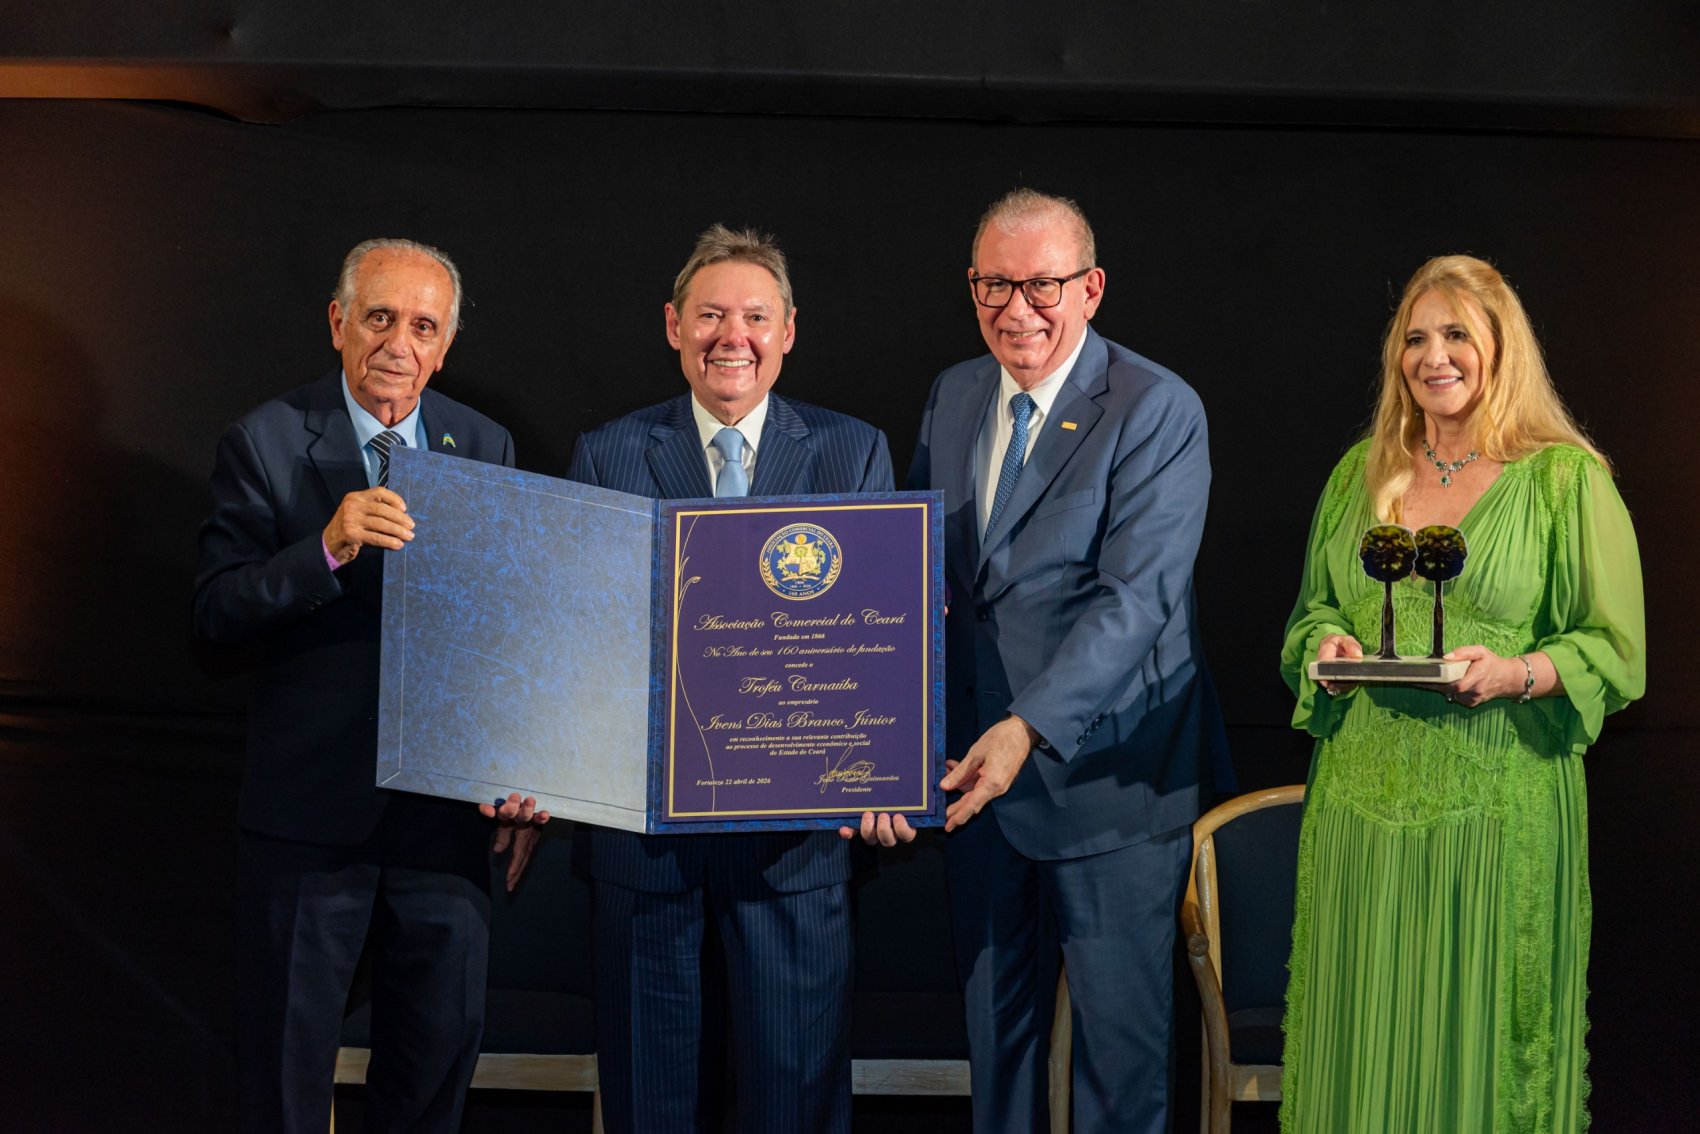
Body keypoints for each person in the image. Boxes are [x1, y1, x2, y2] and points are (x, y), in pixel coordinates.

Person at [1280, 255, 1645, 1132]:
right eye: (1414, 337)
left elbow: (1616, 651)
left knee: (1484, 1066)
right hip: (1360, 817)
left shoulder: (1565, 481)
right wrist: (1323, 646)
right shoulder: (1356, 476)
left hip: (1499, 814)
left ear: (1500, 348)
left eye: (1455, 335)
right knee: (1358, 1053)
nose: (1431, 355)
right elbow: (1311, 615)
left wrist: (1516, 672)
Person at [193, 238, 545, 1133]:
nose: (399, 342)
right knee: (285, 1075)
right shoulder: (266, 441)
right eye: (381, 316)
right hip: (311, 825)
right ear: (338, 321)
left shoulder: (487, 443)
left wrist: (521, 771)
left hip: (445, 825)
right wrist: (324, 548)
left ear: (447, 344)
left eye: (424, 325)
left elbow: (512, 629)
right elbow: (215, 613)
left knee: (434, 1069)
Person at [910, 188, 1231, 1133]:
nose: (1017, 309)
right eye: (994, 285)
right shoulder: (953, 391)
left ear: (1091, 288)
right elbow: (927, 577)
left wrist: (1027, 727)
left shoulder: (1157, 407)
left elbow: (1136, 602)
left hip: (1110, 790)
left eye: (1042, 285)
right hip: (975, 785)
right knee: (995, 1057)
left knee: (1119, 1074)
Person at [566, 223, 895, 1134]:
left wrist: (886, 768)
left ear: (789, 330)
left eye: (755, 316)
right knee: (651, 1104)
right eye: (710, 315)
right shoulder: (608, 454)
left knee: (795, 1105)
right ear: (673, 325)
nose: (731, 337)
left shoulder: (853, 453)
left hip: (795, 850)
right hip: (646, 848)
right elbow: (577, 645)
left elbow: (881, 646)